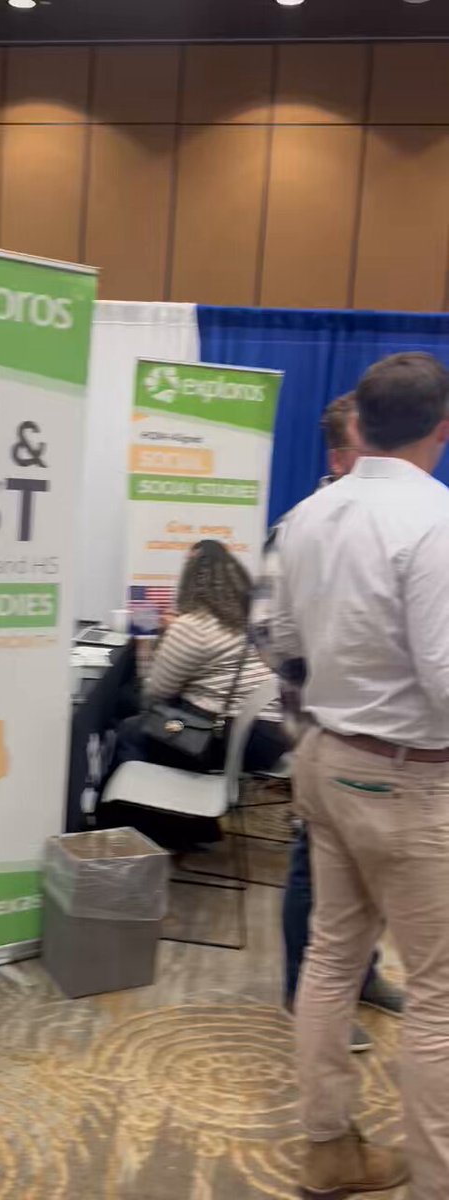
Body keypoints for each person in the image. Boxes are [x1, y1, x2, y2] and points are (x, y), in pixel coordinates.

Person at [267, 352, 449, 1199]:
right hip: (407, 780)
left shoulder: (306, 515)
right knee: (439, 995)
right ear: (440, 429)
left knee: (331, 959)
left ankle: (329, 1147)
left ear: (360, 425)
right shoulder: (433, 521)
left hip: (326, 758)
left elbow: (283, 643)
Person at [253, 393, 403, 1055]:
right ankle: (301, 991)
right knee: (311, 867)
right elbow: (266, 632)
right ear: (339, 457)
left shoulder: (392, 524)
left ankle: (363, 975)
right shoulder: (299, 528)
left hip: (381, 737)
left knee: (367, 874)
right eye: (369, 448)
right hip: (318, 729)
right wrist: (332, 677)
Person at [116, 539, 290, 777]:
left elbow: (155, 694)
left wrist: (154, 642)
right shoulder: (250, 619)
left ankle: (137, 798)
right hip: (271, 736)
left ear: (190, 581)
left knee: (129, 728)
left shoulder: (192, 626)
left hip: (230, 739)